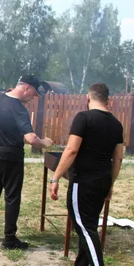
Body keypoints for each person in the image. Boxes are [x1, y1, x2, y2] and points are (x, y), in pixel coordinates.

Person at [50, 82, 123, 266]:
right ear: (108, 101)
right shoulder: (116, 124)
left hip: (83, 183)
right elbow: (119, 159)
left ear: (88, 97)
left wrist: (55, 177)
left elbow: (71, 150)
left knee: (85, 228)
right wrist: (110, 185)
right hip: (103, 181)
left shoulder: (83, 118)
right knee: (87, 225)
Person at [0, 74, 53, 249]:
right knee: (12, 197)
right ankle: (10, 238)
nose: (33, 98)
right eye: (34, 94)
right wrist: (45, 143)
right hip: (11, 157)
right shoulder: (19, 109)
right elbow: (31, 138)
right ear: (26, 87)